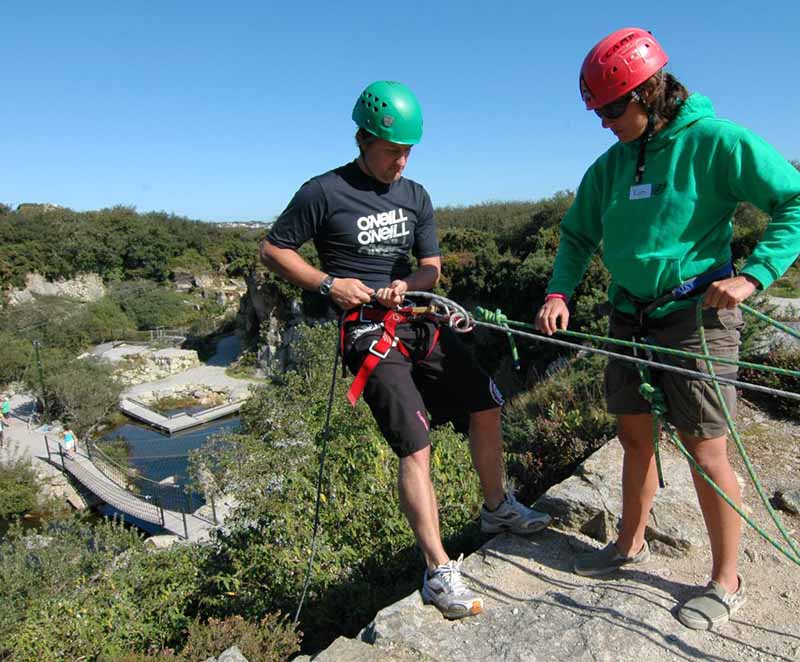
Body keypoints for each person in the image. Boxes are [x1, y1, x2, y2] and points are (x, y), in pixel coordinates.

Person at [535, 27, 800, 630]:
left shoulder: (714, 142)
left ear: (649, 93)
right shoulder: (610, 166)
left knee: (706, 450)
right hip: (629, 314)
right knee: (634, 437)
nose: (603, 122)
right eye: (597, 110)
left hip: (696, 317)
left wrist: (754, 275)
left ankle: (725, 579)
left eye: (611, 108)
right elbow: (577, 236)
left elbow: (795, 201)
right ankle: (630, 543)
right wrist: (558, 290)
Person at [261, 80, 551, 620]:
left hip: (417, 316)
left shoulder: (415, 195)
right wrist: (327, 285)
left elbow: (431, 266)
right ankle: (438, 570)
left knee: (487, 404)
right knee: (415, 447)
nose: (402, 161)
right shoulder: (322, 192)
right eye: (394, 150)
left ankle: (496, 510)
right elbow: (273, 250)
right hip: (368, 332)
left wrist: (409, 282)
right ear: (363, 139)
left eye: (409, 151)